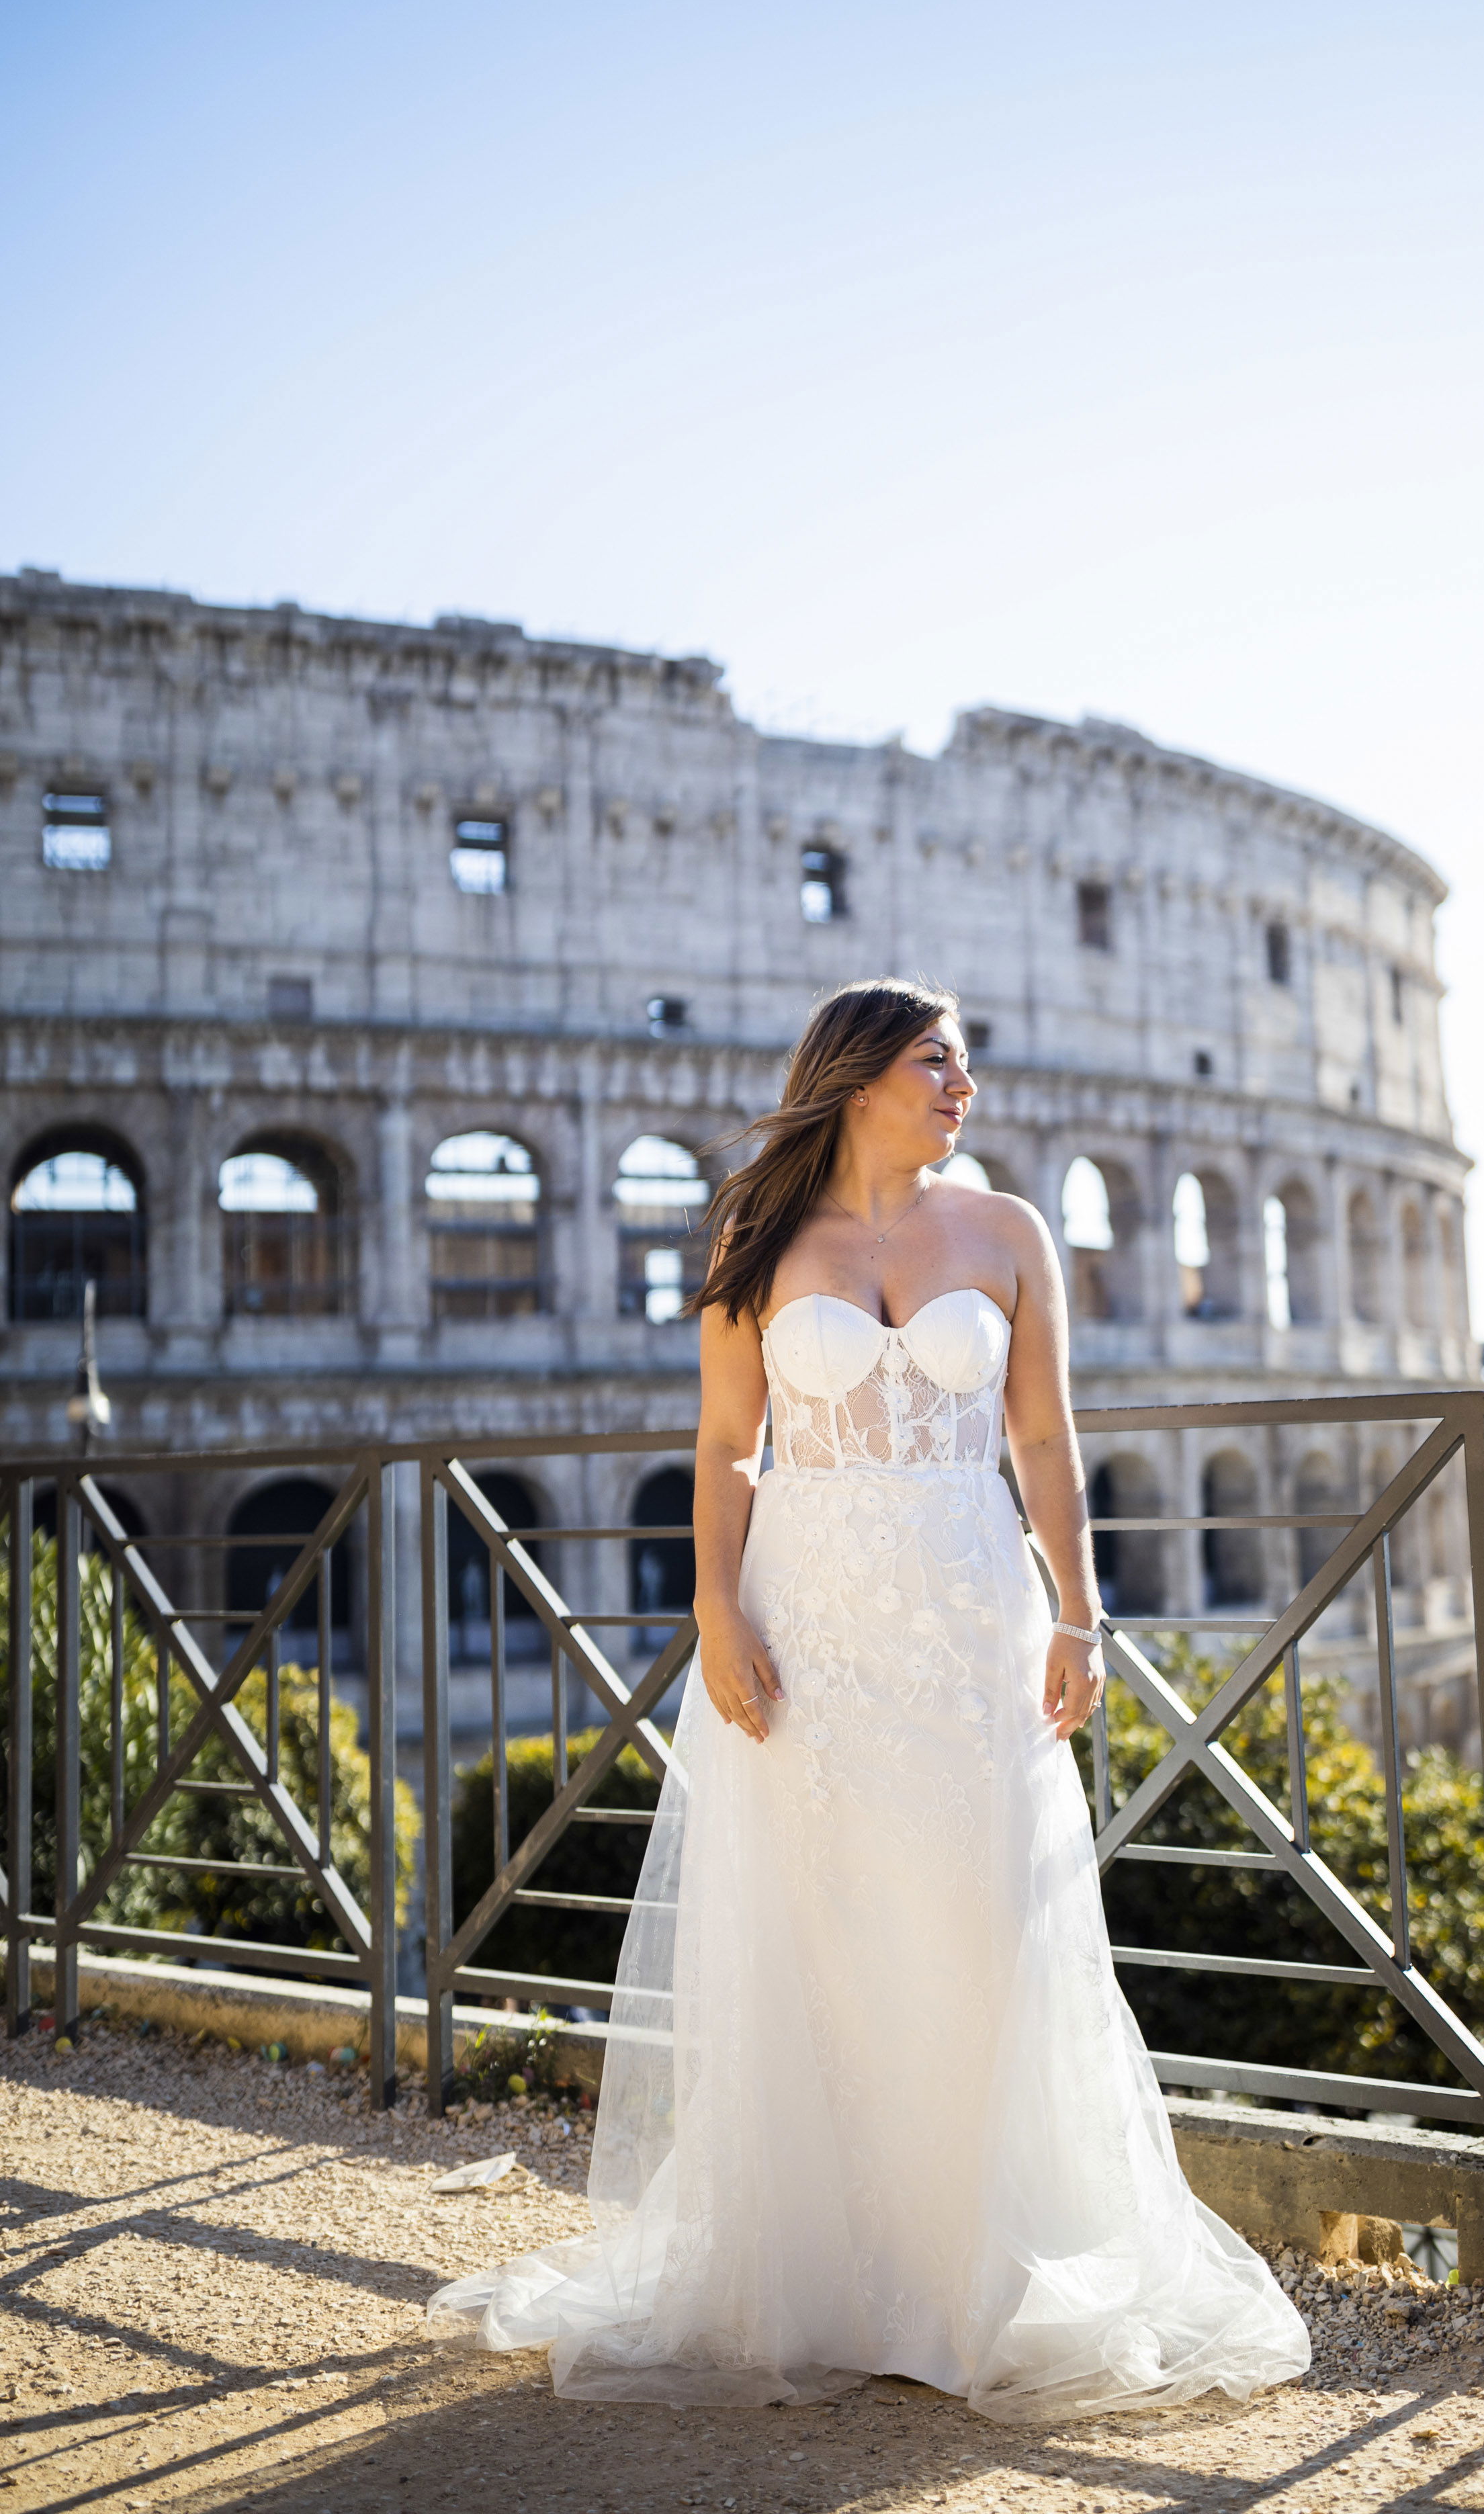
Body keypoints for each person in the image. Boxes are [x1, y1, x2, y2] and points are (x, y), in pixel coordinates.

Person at [429, 979, 1309, 2419]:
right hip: (806, 1616)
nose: (961, 1083)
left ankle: (977, 2274)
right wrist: (712, 1605)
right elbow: (723, 1448)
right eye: (934, 1060)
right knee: (818, 1924)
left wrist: (1080, 1612)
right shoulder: (754, 1233)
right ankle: (827, 2281)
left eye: (963, 1061)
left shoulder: (1009, 1230)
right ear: (855, 1077)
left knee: (980, 1923)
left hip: (972, 1609)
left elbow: (1042, 1436)